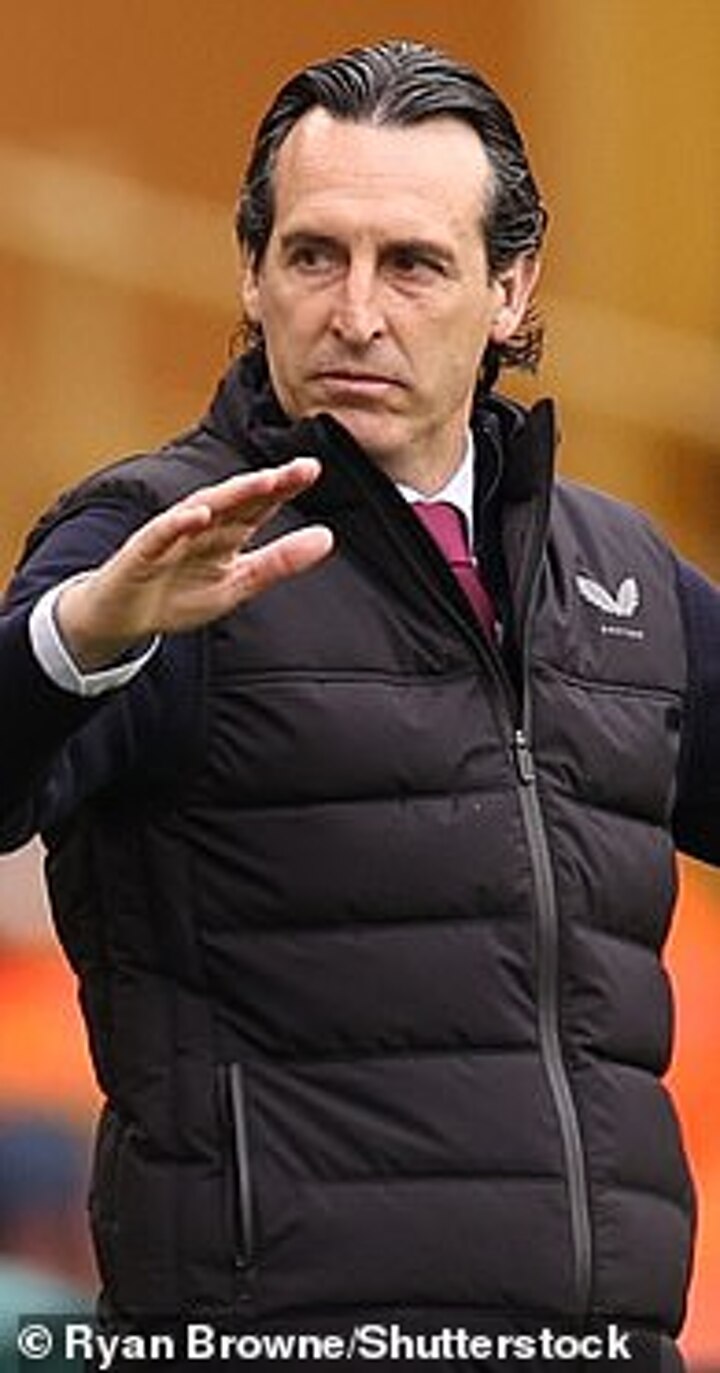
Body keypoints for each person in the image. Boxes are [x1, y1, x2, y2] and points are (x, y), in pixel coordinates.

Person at [0, 37, 718, 1372]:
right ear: (252, 274)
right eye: (314, 255)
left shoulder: (622, 573)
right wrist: (75, 639)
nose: (357, 312)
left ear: (510, 289)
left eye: (414, 264)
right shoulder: (151, 541)